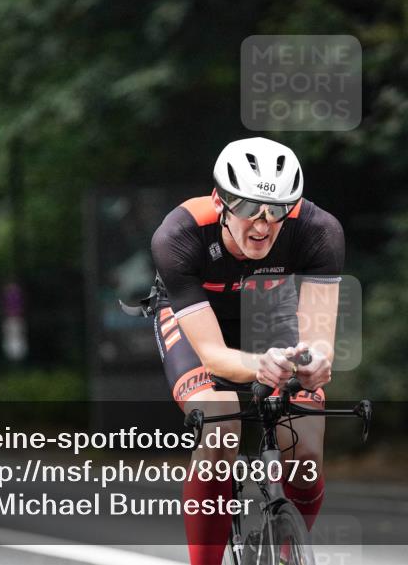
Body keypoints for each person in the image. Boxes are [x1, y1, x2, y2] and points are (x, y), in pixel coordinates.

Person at [149, 137, 345, 565]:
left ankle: (287, 554)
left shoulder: (319, 230)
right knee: (220, 427)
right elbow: (214, 355)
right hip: (198, 321)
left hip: (268, 315)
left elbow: (318, 341)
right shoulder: (179, 234)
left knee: (306, 450)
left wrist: (316, 363)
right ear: (220, 201)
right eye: (249, 208)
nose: (263, 223)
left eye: (277, 210)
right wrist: (260, 366)